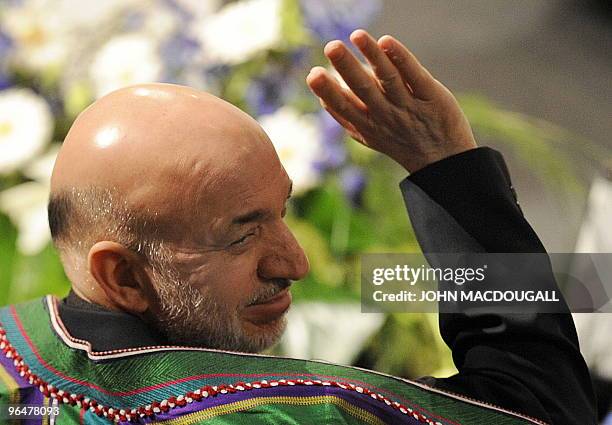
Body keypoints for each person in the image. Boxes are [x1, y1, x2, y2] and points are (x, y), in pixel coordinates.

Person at [0, 30, 596, 424]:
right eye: (241, 233)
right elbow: (540, 409)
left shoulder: (13, 354)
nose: (295, 263)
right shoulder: (285, 413)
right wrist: (449, 169)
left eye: (282, 212)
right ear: (124, 275)